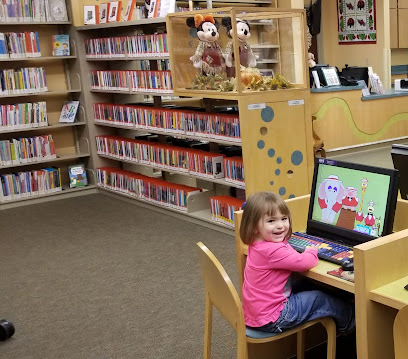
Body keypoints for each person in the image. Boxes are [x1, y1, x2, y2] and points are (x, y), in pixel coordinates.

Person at [240, 191, 355, 334]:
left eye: (284, 219)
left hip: (257, 312)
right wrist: (311, 251)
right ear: (254, 227)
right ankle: (351, 322)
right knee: (319, 298)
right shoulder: (272, 251)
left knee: (308, 284)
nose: (280, 225)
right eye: (271, 221)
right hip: (275, 317)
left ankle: (344, 306)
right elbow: (304, 263)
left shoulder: (257, 243)